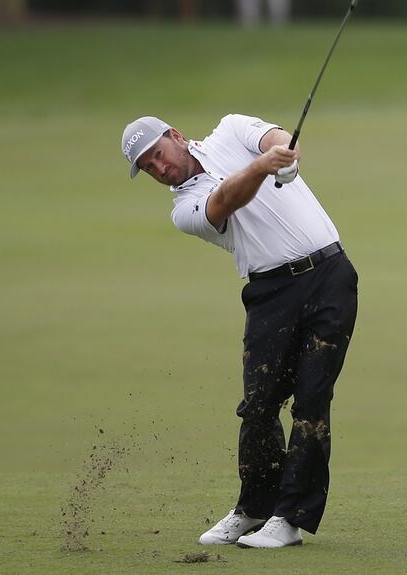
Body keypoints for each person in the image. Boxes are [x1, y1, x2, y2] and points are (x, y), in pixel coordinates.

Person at [120, 114, 359, 548]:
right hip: (271, 292)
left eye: (157, 155)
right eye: (148, 168)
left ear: (175, 136)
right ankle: (253, 510)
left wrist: (286, 156)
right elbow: (225, 199)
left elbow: (274, 137)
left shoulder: (230, 129)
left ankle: (288, 519)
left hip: (331, 276)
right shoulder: (183, 210)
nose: (159, 168)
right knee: (259, 406)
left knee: (311, 401)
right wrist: (264, 166)